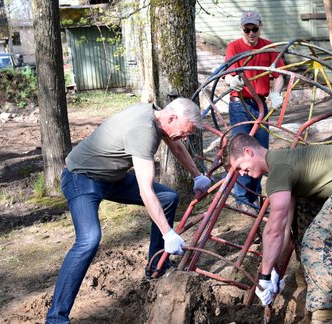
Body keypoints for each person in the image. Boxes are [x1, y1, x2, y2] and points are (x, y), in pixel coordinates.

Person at [46, 98, 211, 323]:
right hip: (81, 178)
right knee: (89, 239)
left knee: (169, 198)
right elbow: (145, 191)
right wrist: (168, 234)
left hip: (111, 177)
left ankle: (156, 267)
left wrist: (197, 175)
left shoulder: (156, 116)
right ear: (172, 118)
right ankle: (56, 318)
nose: (183, 137)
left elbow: (176, 146)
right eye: (184, 132)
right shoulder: (144, 130)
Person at [227, 133, 332, 323]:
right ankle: (306, 285)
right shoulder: (280, 163)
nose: (241, 173)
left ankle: (323, 315)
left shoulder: (278, 170)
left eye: (239, 166)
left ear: (248, 152)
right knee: (302, 224)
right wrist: (274, 269)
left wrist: (264, 276)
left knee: (317, 242)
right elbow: (284, 230)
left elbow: (274, 229)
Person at [223, 10, 285, 212]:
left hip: (261, 104)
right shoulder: (234, 47)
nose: (251, 33)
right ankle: (242, 199)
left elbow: (280, 74)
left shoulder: (268, 46)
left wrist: (276, 93)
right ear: (242, 28)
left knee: (259, 151)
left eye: (254, 28)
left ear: (260, 27)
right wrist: (231, 80)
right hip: (240, 103)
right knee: (242, 149)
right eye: (247, 29)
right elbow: (226, 73)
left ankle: (254, 198)